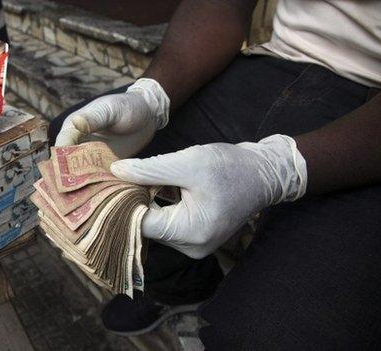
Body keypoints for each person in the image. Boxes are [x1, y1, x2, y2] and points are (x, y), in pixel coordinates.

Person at [49, 0, 381, 348]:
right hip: (273, 65)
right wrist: (152, 94)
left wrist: (279, 168)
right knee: (77, 157)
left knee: (264, 337)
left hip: (367, 121)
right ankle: (182, 288)